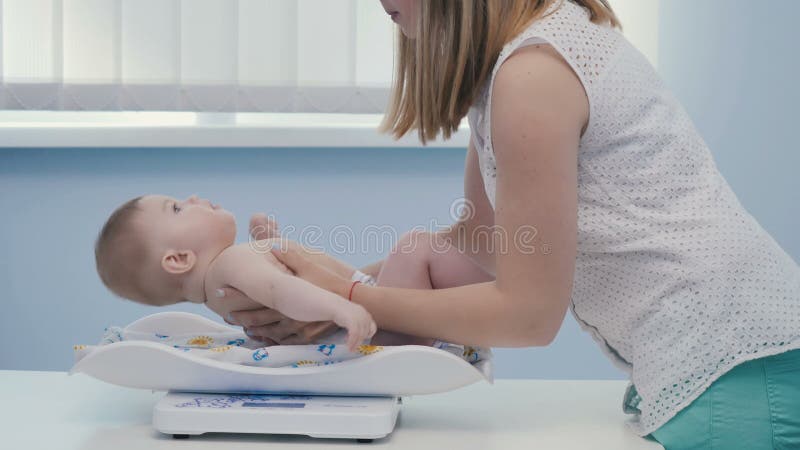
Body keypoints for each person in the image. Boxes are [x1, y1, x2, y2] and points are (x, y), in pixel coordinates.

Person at [218, 1, 800, 448]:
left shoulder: (534, 75)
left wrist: (349, 296)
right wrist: (322, 288)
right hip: (720, 364)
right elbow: (483, 243)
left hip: (739, 371)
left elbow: (527, 313)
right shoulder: (510, 69)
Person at [94, 194, 489, 351]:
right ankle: (498, 286)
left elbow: (284, 281)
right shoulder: (231, 263)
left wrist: (274, 246)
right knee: (415, 246)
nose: (193, 198)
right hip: (381, 325)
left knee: (421, 253)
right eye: (178, 208)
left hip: (375, 308)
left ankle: (495, 283)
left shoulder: (223, 285)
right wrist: (343, 311)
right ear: (178, 259)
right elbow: (284, 293)